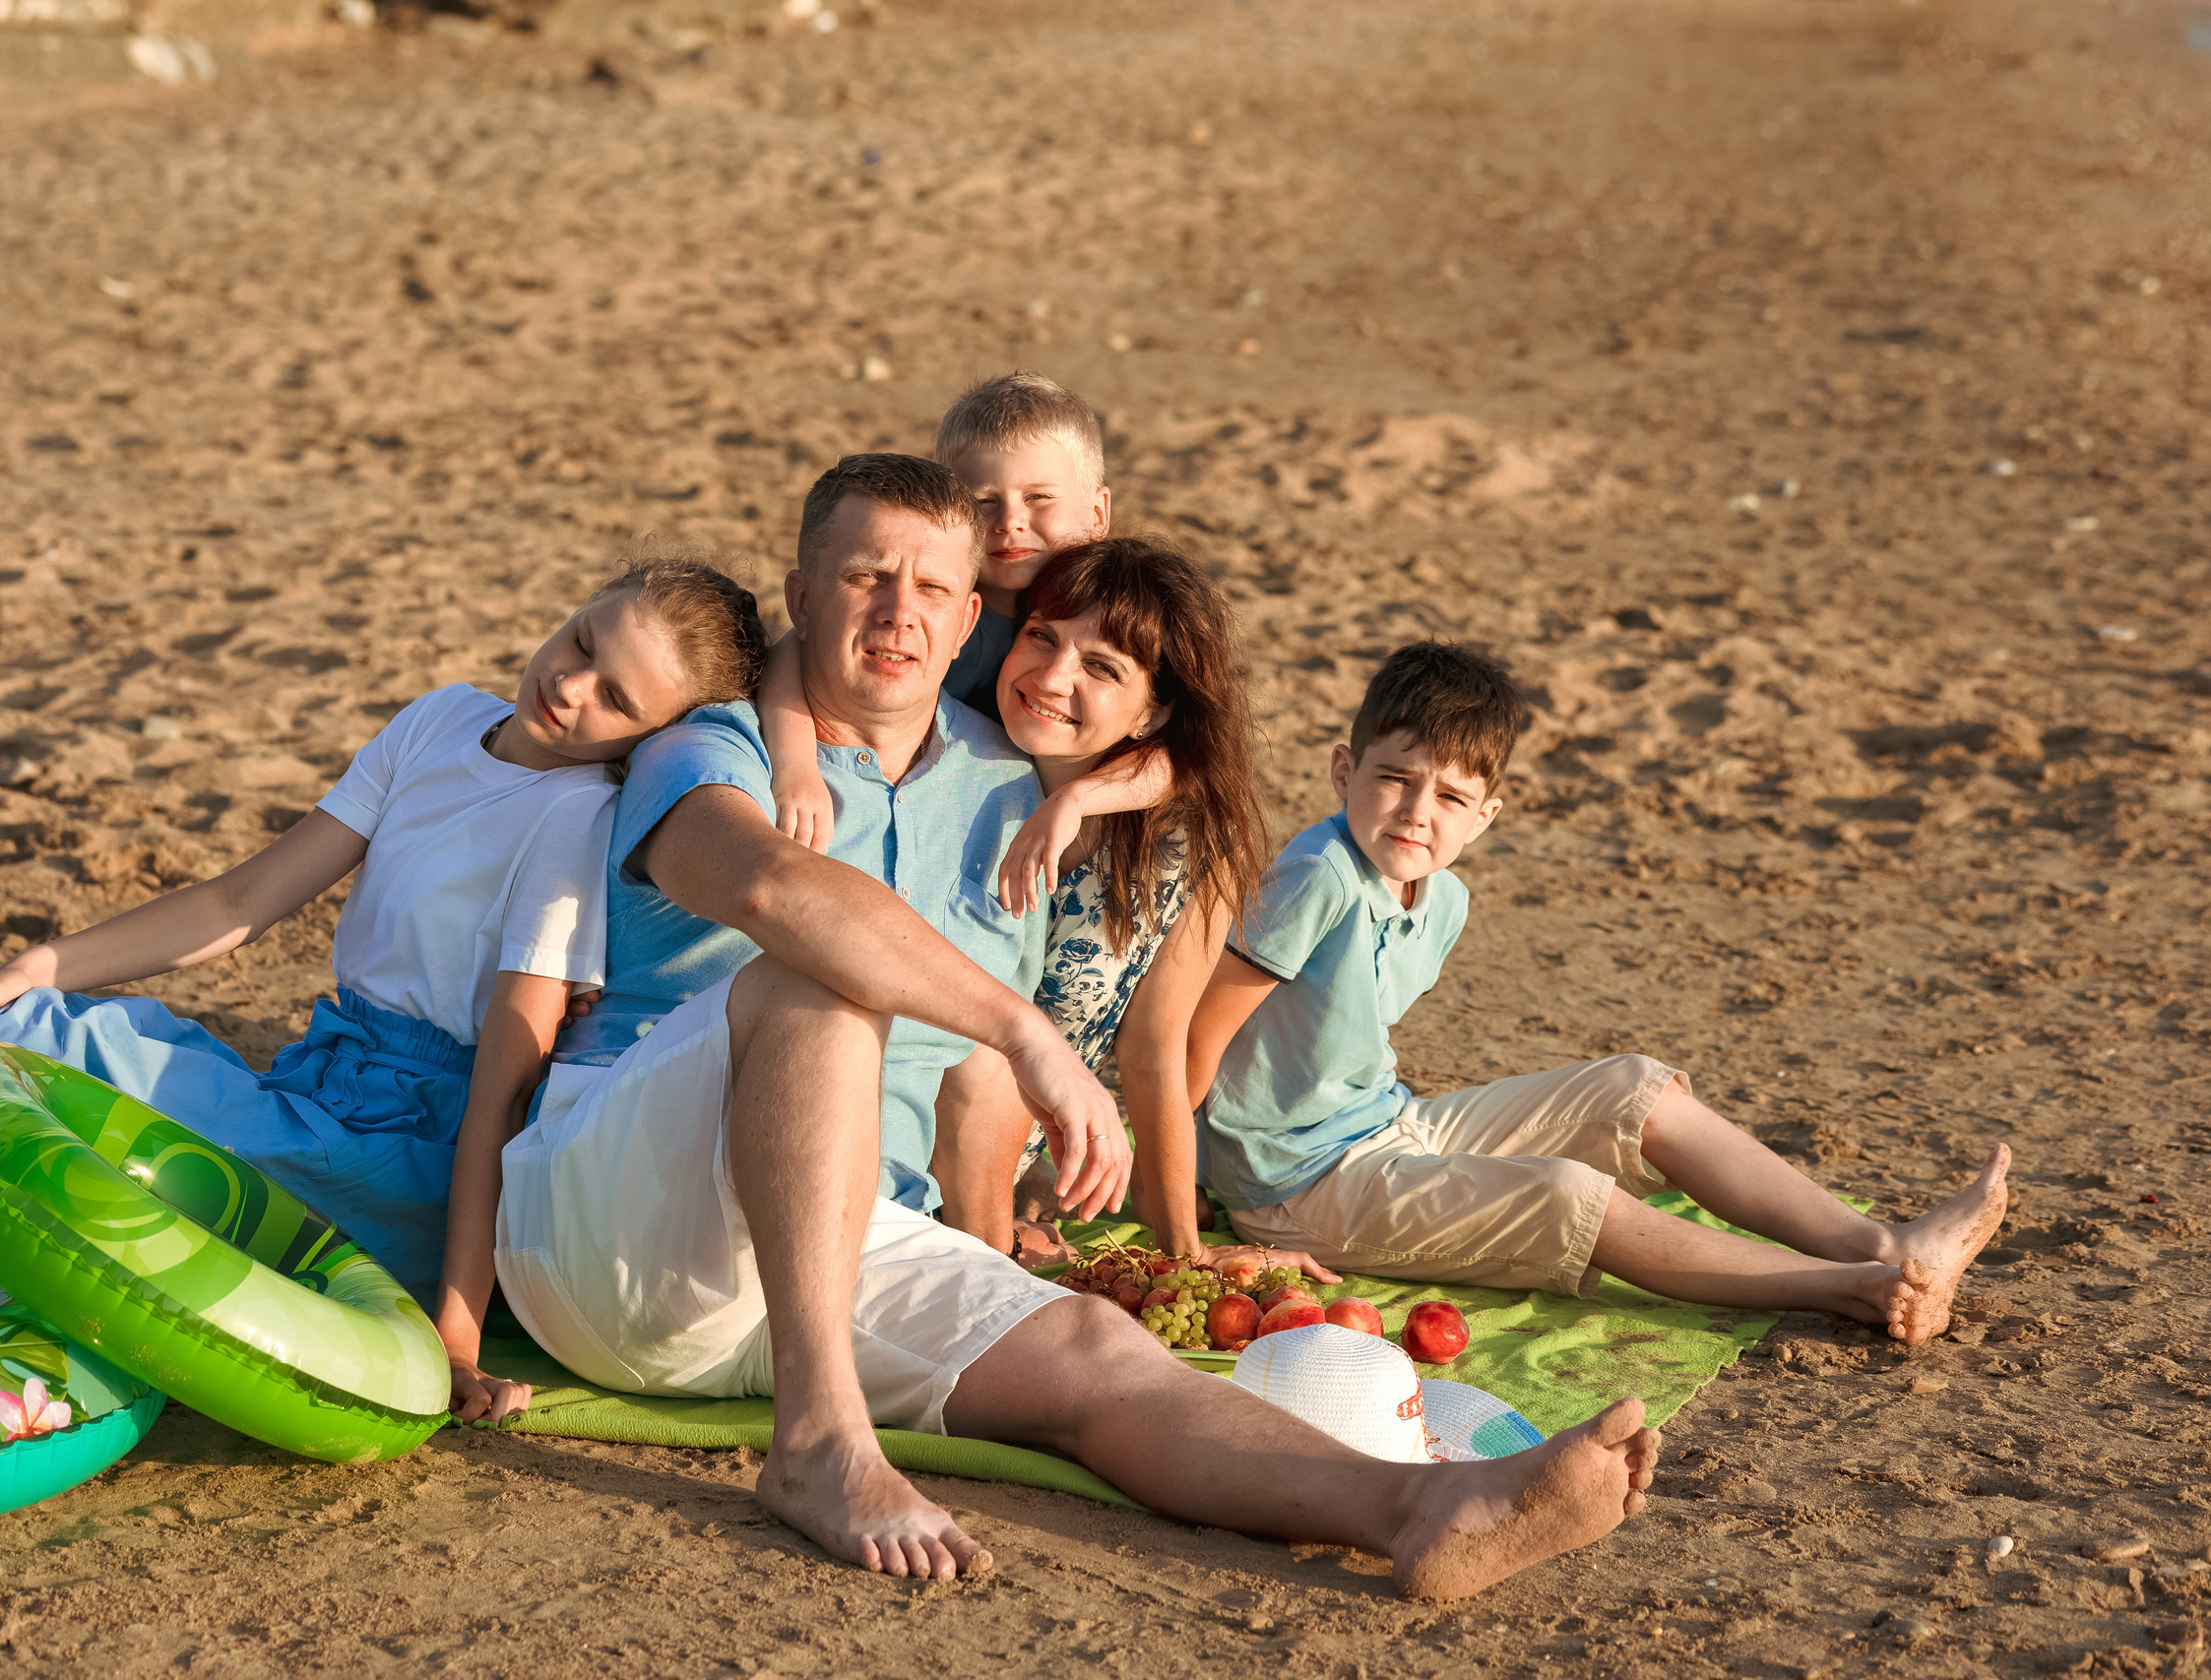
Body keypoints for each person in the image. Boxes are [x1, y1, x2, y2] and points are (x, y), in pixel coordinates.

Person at [493, 456, 1662, 1595]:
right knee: (824, 983)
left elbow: (976, 1076)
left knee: (1100, 1360)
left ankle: (1419, 1510)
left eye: (933, 590)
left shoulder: (1007, 791)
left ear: (967, 625)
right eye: (863, 579)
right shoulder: (714, 745)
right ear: (800, 599)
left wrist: (1010, 1233)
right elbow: (772, 894)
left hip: (851, 1237)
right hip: (616, 1234)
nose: (899, 612)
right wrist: (1028, 1031)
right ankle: (816, 1446)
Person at [0, 557, 771, 1422]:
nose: (571, 684)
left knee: (9, 1057)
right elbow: (246, 896)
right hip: (310, 1087)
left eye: (615, 696)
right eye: (583, 639)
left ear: (652, 735)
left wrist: (454, 1327)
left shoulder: (575, 821)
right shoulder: (441, 719)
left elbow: (503, 1082)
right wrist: (46, 959)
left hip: (395, 1159)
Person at [1182, 640, 2011, 1344]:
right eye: (1394, 778)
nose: (1416, 812)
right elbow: (1196, 1036)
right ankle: (1854, 1287)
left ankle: (1886, 1242)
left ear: (1486, 815)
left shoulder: (1443, 898)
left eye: (1451, 796)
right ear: (1343, 768)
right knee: (1567, 1194)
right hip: (1295, 1187)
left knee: (1632, 1087)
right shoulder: (1317, 874)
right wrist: (1183, 1204)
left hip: (1388, 1123)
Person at [920, 536, 1316, 1279]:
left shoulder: (1191, 844)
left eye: (1101, 667)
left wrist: (1184, 1256)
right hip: (905, 1139)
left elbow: (1153, 1053)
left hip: (1012, 1170)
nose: (1052, 674)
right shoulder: (940, 761)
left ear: (1153, 712)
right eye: (1042, 637)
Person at [760, 372, 1169, 863]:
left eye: (1039, 498)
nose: (1010, 521)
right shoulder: (933, 615)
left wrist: (1079, 799)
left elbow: (1190, 751)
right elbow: (793, 653)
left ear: (1099, 513)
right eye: (983, 502)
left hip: (1080, 830)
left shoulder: (1123, 608)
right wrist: (796, 767)